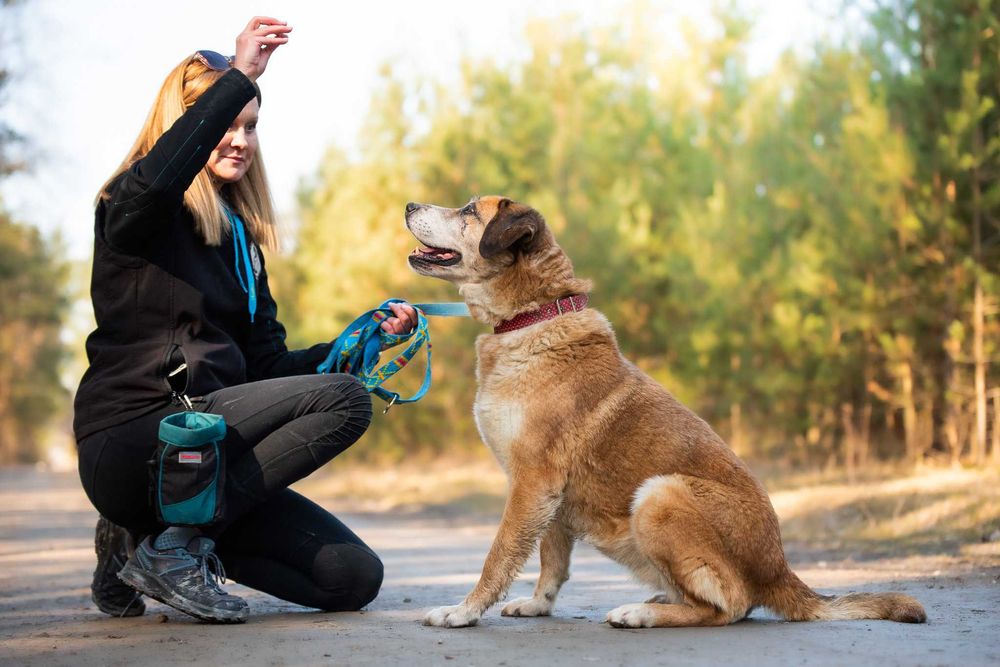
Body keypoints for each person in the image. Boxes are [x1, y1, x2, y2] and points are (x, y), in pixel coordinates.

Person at [76, 17, 418, 623]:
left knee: (353, 578)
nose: (238, 139)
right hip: (139, 438)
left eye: (250, 127)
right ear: (184, 128)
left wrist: (358, 345)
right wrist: (240, 77)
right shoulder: (133, 209)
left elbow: (266, 365)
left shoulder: (242, 246)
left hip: (213, 453)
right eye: (224, 123)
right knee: (345, 403)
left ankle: (140, 540)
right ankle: (170, 545)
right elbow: (160, 177)